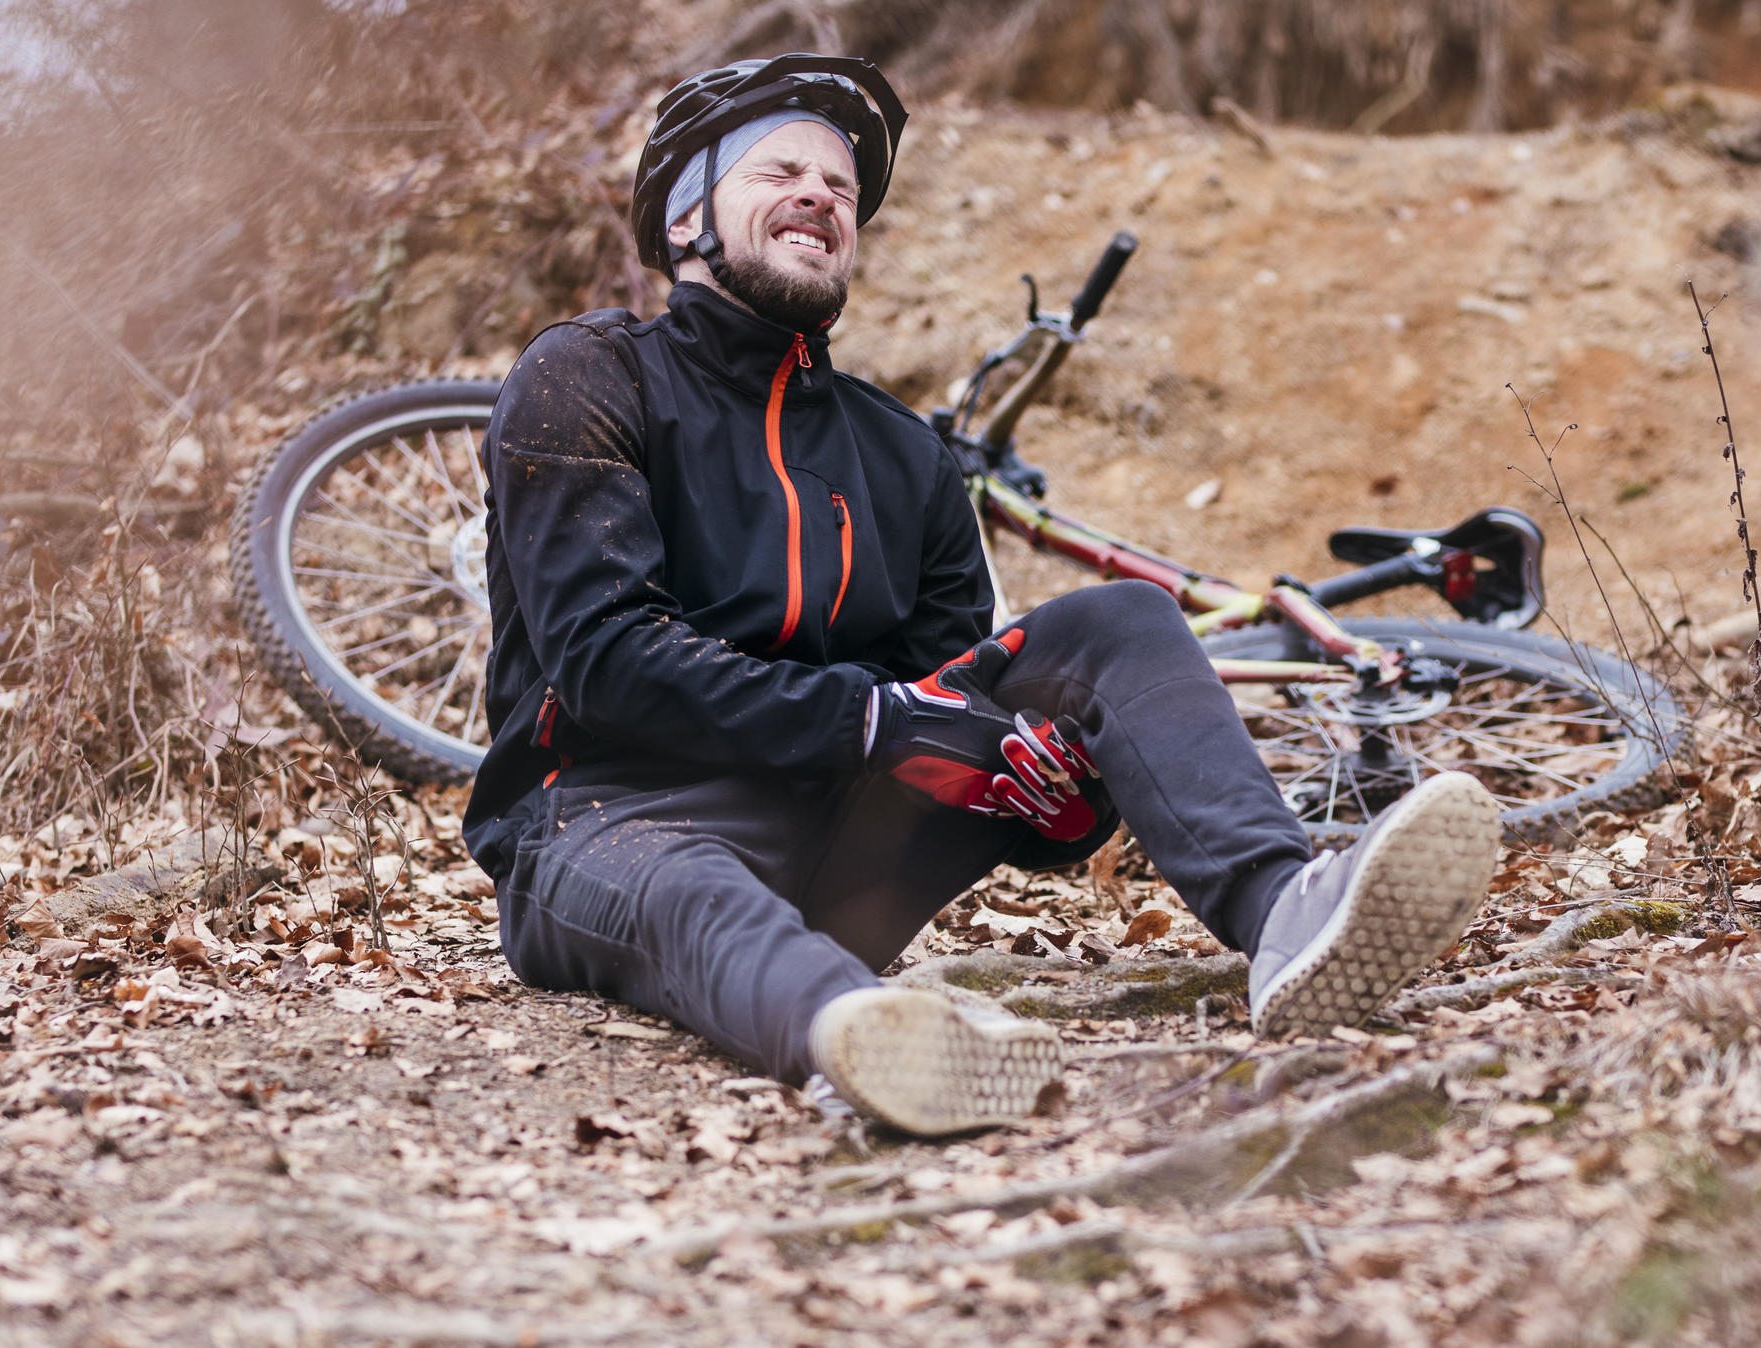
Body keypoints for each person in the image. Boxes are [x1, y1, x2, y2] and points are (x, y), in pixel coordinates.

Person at [461, 53, 1500, 1137]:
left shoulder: (903, 454)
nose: (822, 194)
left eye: (841, 188)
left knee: (1120, 620)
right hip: (601, 830)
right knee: (692, 892)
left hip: (834, 851)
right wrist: (875, 717)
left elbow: (958, 723)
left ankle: (1284, 910)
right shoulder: (586, 375)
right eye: (780, 170)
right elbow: (605, 661)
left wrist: (1056, 807)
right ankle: (857, 1039)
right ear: (684, 217)